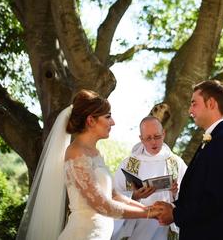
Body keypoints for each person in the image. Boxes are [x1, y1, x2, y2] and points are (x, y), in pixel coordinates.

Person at [17, 90, 160, 240]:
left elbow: (114, 196)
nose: (113, 122)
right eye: (108, 117)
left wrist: (148, 208)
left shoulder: (96, 153)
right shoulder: (76, 153)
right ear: (91, 120)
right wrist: (148, 214)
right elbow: (102, 205)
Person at [155, 80, 223, 240]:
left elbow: (215, 200)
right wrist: (175, 206)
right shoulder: (215, 138)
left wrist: (175, 214)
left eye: (194, 104)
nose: (190, 110)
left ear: (211, 103)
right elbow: (199, 192)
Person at [112, 116, 187, 240]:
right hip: (135, 224)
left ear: (163, 134)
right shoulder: (129, 164)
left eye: (157, 136)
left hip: (163, 225)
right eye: (148, 138)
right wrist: (134, 196)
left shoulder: (175, 163)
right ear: (141, 139)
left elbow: (190, 196)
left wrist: (175, 193)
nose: (153, 142)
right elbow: (113, 195)